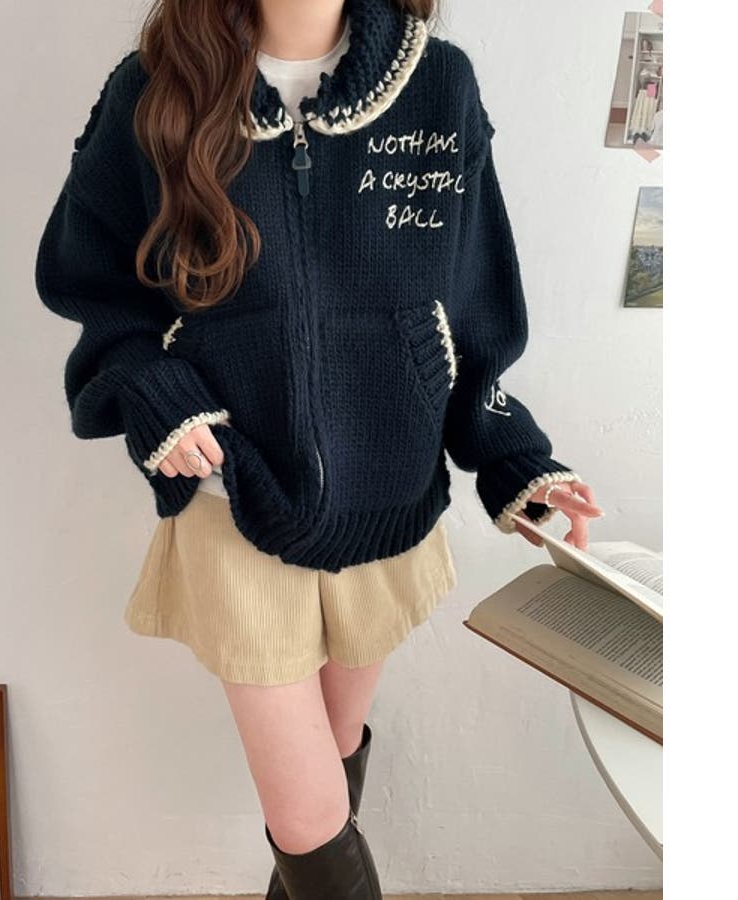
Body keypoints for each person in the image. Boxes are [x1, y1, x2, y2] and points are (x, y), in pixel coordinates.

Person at [34, 0, 604, 896]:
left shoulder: (436, 85)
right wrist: (156, 393)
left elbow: (473, 304)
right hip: (236, 500)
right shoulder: (155, 90)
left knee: (332, 773)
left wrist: (512, 456)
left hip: (390, 502)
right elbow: (94, 287)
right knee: (308, 819)